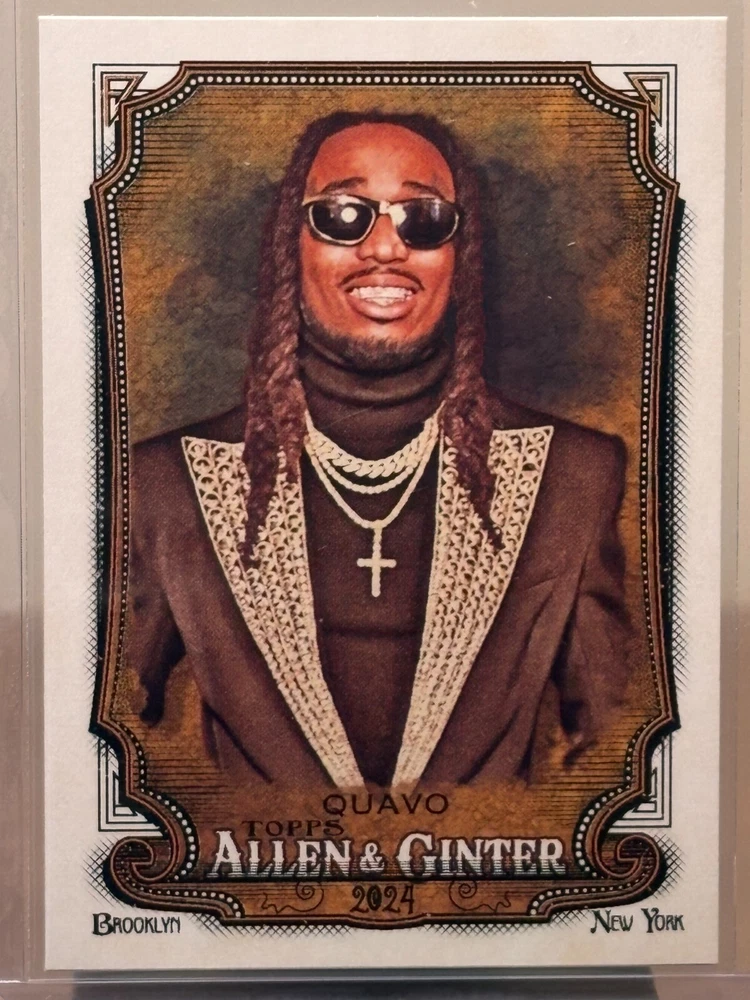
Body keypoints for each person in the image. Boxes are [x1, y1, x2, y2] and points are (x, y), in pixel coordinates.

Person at [126, 110, 629, 791]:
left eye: (423, 218)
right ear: (291, 247)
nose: (386, 247)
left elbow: (615, 750)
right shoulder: (164, 485)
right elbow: (104, 739)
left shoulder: (575, 477)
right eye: (343, 215)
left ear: (459, 254)